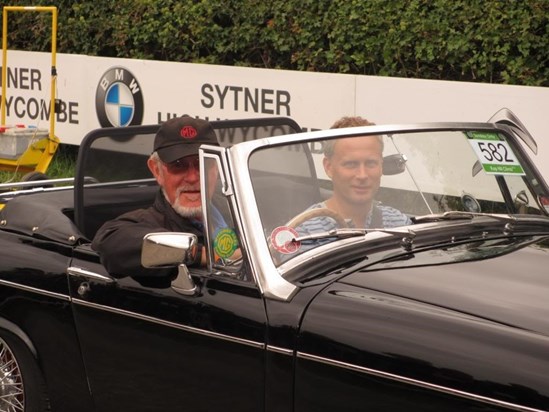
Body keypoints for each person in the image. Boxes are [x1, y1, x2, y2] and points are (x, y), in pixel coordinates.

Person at [92, 116, 221, 281]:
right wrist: (203, 254)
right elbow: (108, 241)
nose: (192, 177)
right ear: (157, 171)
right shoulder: (150, 221)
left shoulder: (240, 208)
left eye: (201, 163)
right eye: (178, 165)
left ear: (217, 167)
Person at [297, 116, 411, 236]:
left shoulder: (399, 225)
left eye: (371, 163)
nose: (362, 175)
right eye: (351, 164)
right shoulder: (305, 233)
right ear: (329, 167)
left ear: (381, 166)